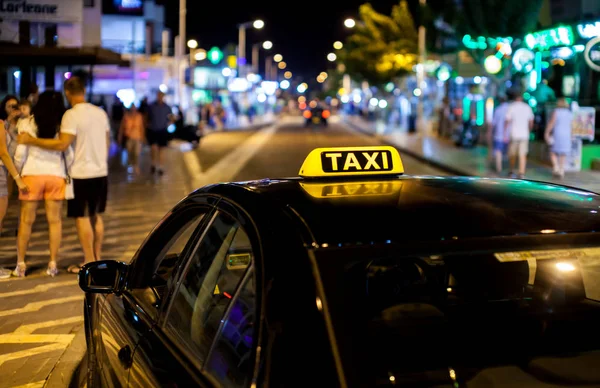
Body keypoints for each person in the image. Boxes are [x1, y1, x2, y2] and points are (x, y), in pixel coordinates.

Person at [18, 77, 110, 274]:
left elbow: (62, 144)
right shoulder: (100, 112)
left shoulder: (71, 115)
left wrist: (32, 141)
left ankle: (88, 261)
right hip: (101, 171)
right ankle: (97, 257)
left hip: (81, 173)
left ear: (68, 93)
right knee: (96, 216)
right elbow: (107, 140)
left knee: (81, 217)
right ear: (84, 90)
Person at [13, 91, 73, 277]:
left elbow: (20, 154)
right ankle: (52, 264)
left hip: (32, 174)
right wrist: (67, 173)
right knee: (54, 221)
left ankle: (20, 264)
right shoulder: (62, 124)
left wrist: (17, 174)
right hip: (55, 175)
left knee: (26, 221)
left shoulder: (26, 123)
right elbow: (68, 154)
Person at [0, 95, 28, 240]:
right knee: (4, 199)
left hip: (18, 165)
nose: (13, 109)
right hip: (6, 167)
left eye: (15, 105)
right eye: (10, 106)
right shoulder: (4, 124)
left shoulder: (23, 123)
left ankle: (19, 226)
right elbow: (3, 149)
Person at [505, 94, 535, 179]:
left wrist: (504, 133)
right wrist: (529, 131)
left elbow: (507, 120)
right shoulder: (527, 107)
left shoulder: (512, 106)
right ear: (521, 98)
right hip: (524, 134)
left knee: (512, 154)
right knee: (523, 154)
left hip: (514, 134)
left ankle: (511, 170)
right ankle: (521, 173)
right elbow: (531, 121)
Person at [544, 98, 573, 179]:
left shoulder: (556, 112)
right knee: (563, 153)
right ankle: (561, 170)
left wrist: (547, 132)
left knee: (553, 151)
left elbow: (551, 123)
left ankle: (556, 167)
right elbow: (571, 126)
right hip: (567, 135)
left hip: (557, 134)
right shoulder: (569, 113)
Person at [146, 91, 173, 175]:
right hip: (153, 130)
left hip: (162, 130)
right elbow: (146, 117)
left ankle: (160, 166)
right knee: (153, 148)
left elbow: (171, 117)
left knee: (161, 150)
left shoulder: (167, 107)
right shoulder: (152, 106)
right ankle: (153, 164)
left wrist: (169, 123)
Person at [118, 104, 145, 175]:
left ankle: (136, 166)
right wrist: (120, 136)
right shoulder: (126, 116)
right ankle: (131, 165)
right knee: (130, 152)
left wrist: (142, 137)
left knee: (136, 152)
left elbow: (141, 127)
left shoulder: (139, 116)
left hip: (137, 137)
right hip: (129, 137)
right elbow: (122, 127)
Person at [487, 95, 510, 174]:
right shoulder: (510, 109)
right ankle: (509, 169)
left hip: (499, 135)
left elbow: (493, 123)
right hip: (509, 135)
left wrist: (489, 132)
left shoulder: (498, 110)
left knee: (498, 151)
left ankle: (499, 168)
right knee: (508, 152)